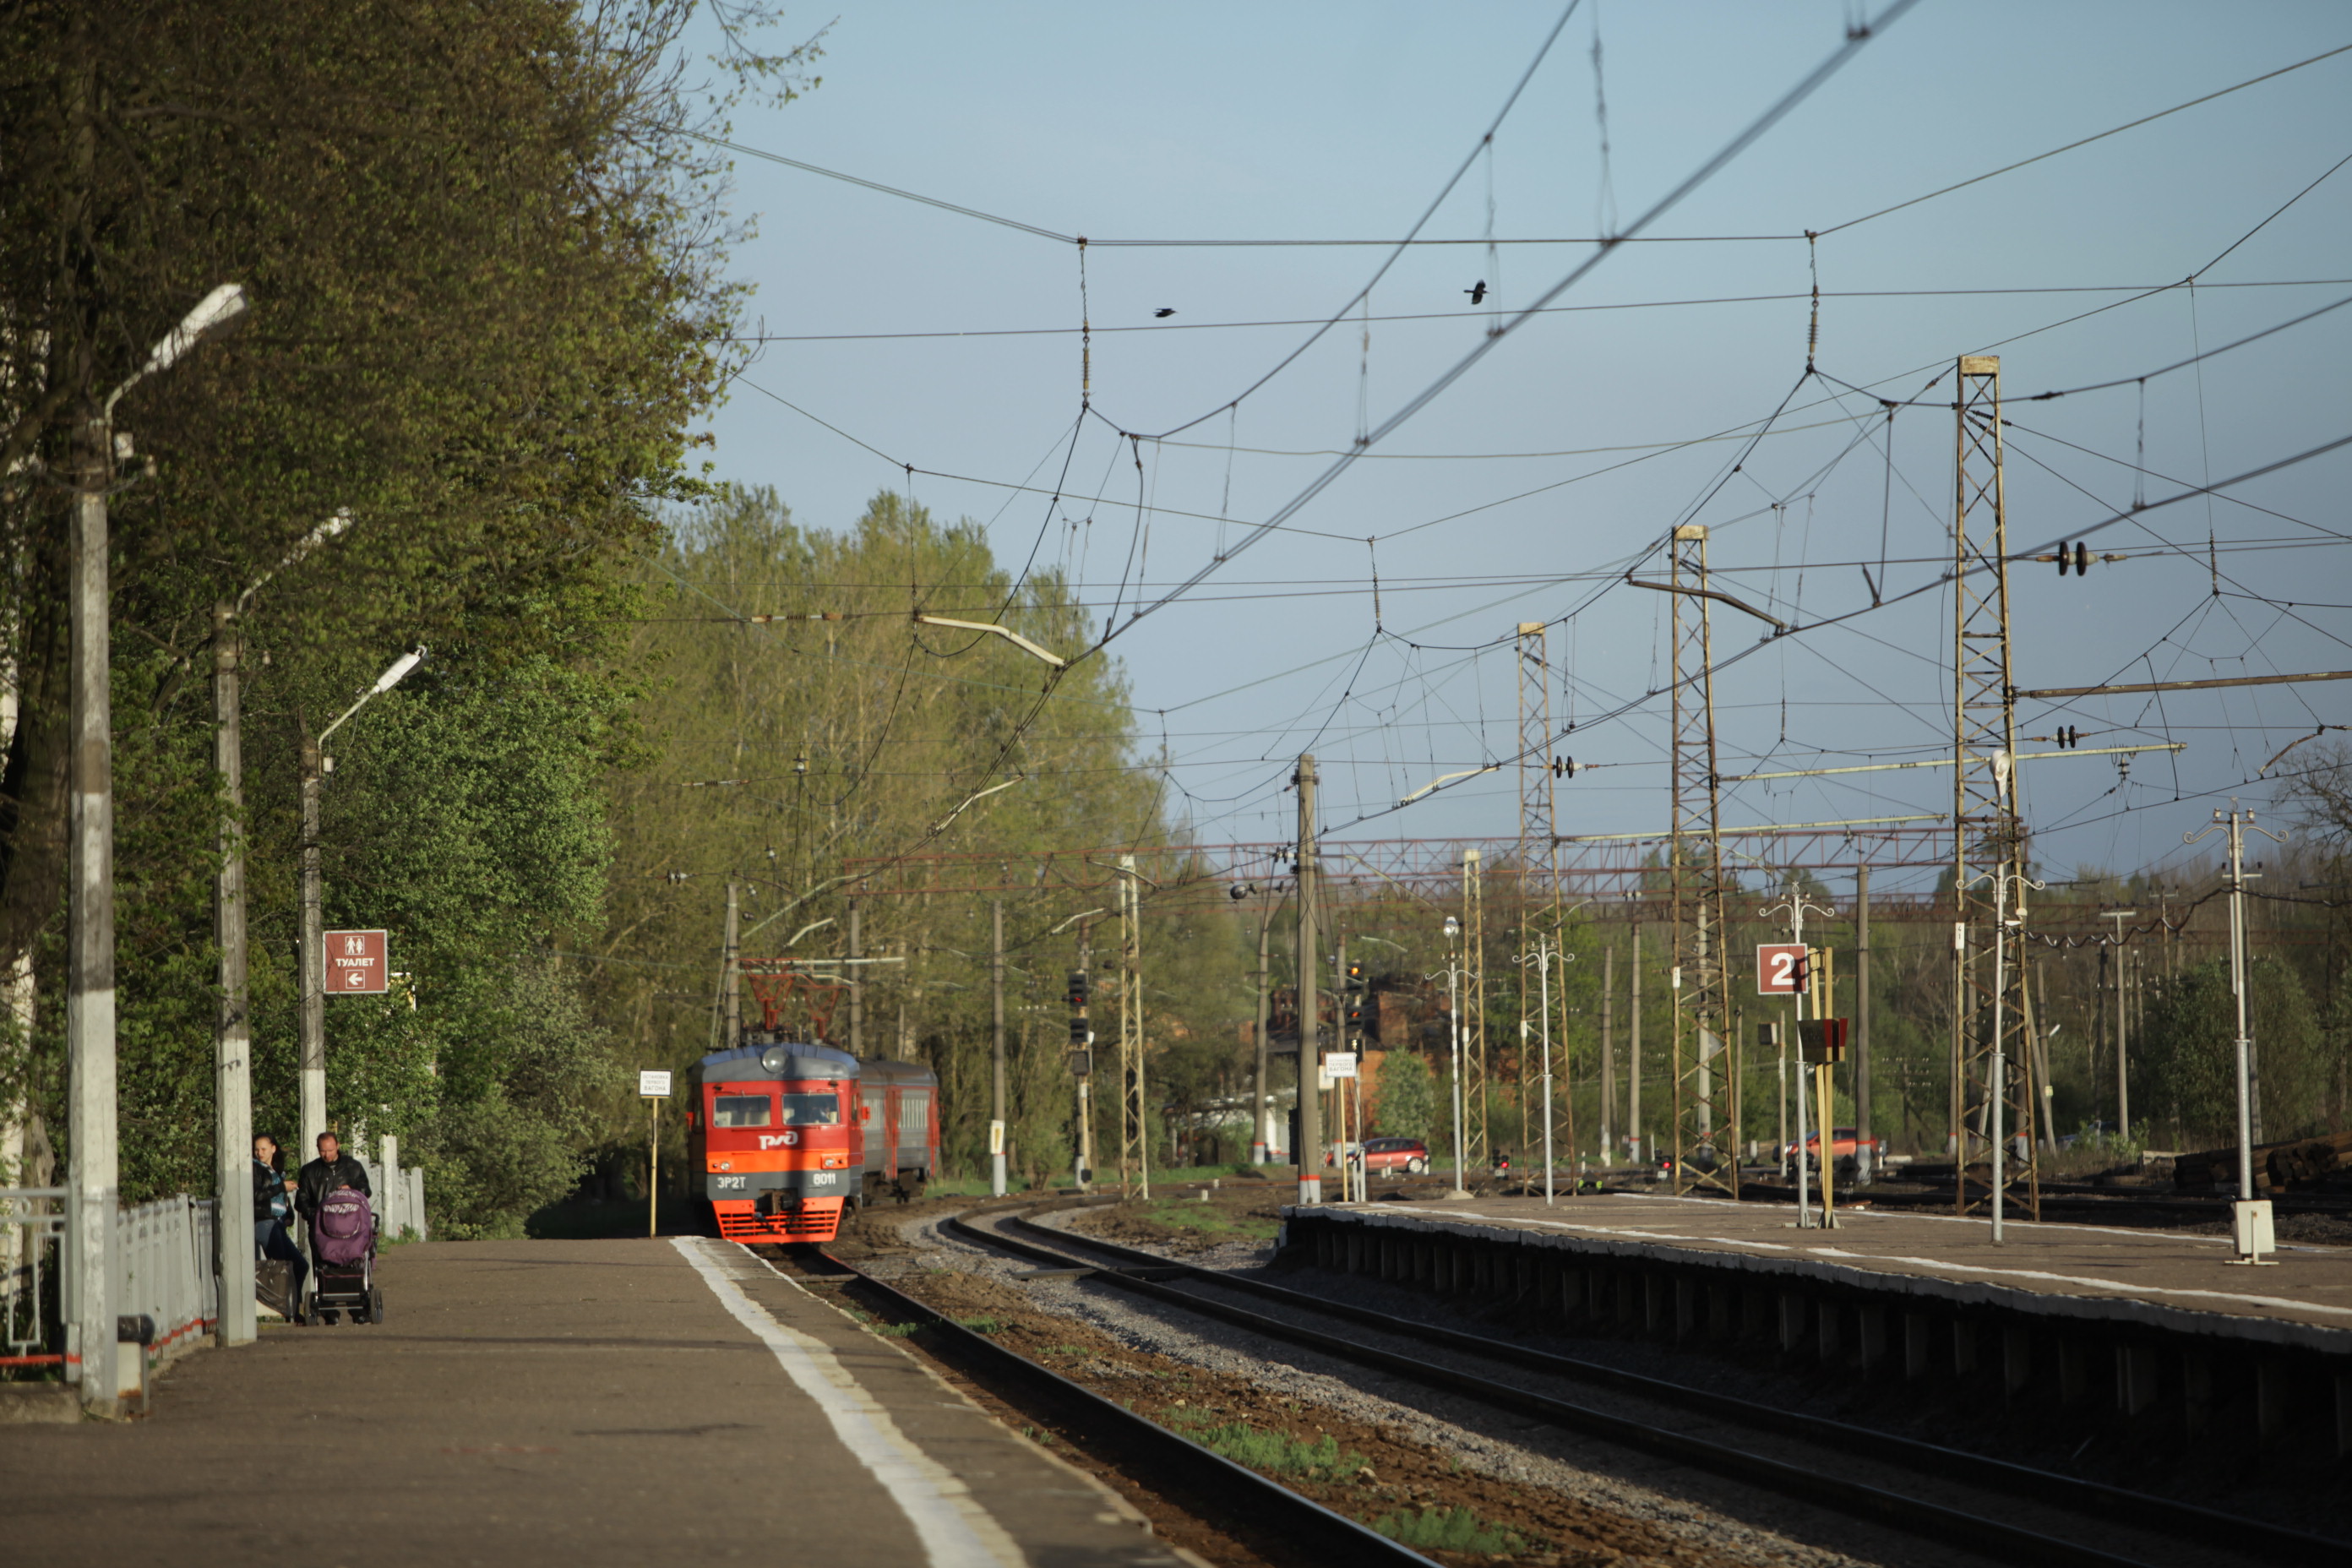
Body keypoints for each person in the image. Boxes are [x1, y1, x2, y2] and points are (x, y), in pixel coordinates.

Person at [295, 1130, 372, 1264]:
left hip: (351, 1226)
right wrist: (317, 1216)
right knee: (323, 1267)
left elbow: (366, 1191)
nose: (327, 1155)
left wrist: (353, 1190)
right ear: (318, 1149)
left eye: (330, 1150)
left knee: (353, 1263)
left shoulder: (353, 1167)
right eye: (323, 1151)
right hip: (321, 1229)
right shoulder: (309, 1171)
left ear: (338, 1146)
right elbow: (301, 1201)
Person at [252, 1134, 308, 1317]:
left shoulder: (273, 1170)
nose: (260, 1153)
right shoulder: (255, 1168)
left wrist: (288, 1214)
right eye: (257, 1149)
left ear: (273, 1149)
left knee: (300, 1265)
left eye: (263, 1149)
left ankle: (293, 1306)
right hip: (263, 1222)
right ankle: (284, 1310)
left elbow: (278, 1199)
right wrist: (282, 1187)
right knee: (281, 1268)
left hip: (276, 1223)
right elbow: (257, 1196)